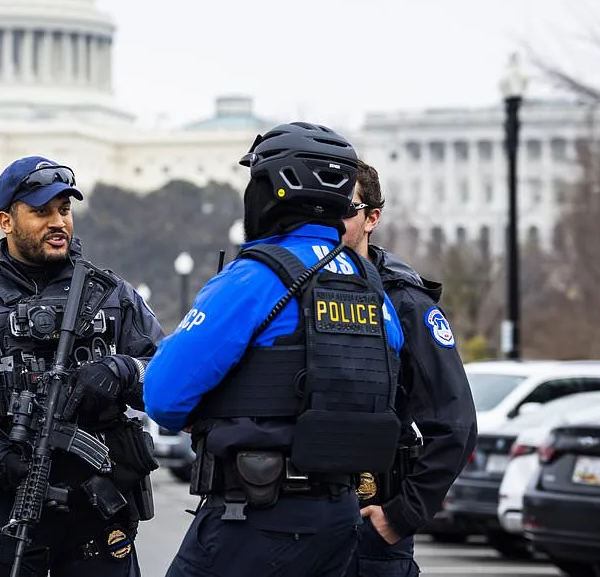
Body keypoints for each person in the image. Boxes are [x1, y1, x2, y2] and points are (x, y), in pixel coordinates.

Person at [144, 122, 406, 577]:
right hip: (339, 518)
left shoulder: (255, 279)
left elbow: (163, 397)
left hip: (257, 519)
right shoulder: (372, 290)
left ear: (274, 190)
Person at [0, 155, 165, 577]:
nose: (58, 222)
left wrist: (123, 370)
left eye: (64, 210)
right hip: (6, 502)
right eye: (41, 212)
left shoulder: (111, 294)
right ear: (6, 221)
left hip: (95, 508)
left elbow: (168, 372)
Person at [342, 162, 478, 577]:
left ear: (372, 218)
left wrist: (401, 515)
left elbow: (455, 422)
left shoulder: (403, 301)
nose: (330, 221)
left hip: (369, 521)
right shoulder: (288, 290)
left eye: (344, 209)